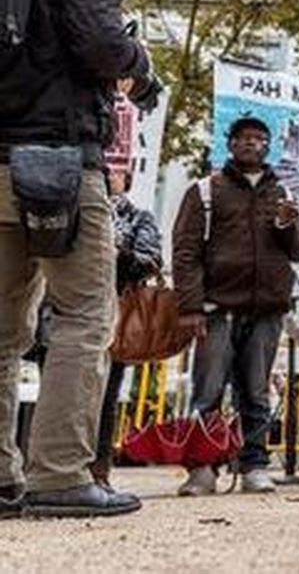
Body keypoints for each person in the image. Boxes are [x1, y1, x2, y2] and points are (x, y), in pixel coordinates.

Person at [0, 0, 160, 518]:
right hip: (62, 163)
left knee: (1, 329)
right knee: (85, 315)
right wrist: (140, 66)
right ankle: (60, 473)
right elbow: (105, 47)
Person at [171, 116, 299, 496]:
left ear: (268, 147)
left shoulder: (284, 193)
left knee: (257, 392)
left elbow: (297, 251)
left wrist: (287, 225)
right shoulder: (205, 190)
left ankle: (254, 466)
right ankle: (202, 469)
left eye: (259, 138)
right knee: (208, 391)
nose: (251, 143)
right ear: (229, 144)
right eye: (243, 137)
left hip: (267, 308)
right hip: (216, 307)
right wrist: (190, 306)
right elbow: (185, 251)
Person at [92, 166, 162, 491]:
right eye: (104, 168)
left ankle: (97, 470)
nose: (109, 175)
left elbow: (151, 261)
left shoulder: (138, 218)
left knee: (105, 396)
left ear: (128, 178)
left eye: (117, 170)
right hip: (61, 314)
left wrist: (119, 253)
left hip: (116, 316)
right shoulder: (72, 208)